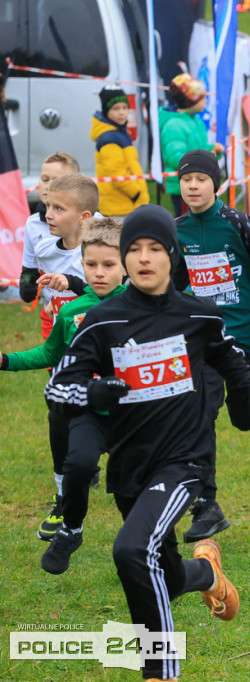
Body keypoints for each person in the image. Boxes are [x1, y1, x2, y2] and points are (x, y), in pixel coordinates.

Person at [45, 203, 250, 682]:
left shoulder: (199, 314)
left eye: (155, 248)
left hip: (184, 461)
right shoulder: (102, 321)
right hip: (130, 465)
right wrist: (92, 392)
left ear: (172, 255)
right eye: (134, 249)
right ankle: (205, 574)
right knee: (162, 573)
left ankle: (160, 670)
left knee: (131, 550)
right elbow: (58, 388)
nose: (144, 258)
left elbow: (234, 362)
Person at [171, 149, 250, 543]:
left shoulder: (236, 223)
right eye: (186, 179)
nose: (193, 186)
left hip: (246, 335)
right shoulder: (175, 230)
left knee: (244, 420)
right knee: (199, 414)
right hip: (205, 339)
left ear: (217, 184)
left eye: (201, 179)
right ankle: (206, 506)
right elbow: (174, 285)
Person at [1, 218, 126, 573]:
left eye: (108, 264)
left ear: (126, 265)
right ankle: (72, 528)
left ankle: (154, 542)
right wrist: (6, 360)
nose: (98, 273)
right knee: (79, 465)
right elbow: (50, 352)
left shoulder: (141, 305)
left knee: (132, 487)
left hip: (133, 411)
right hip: (88, 410)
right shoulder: (71, 311)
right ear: (81, 264)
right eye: (91, 264)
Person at [26, 173, 98, 540]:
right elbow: (50, 300)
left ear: (85, 217)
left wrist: (75, 284)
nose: (48, 214)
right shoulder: (45, 247)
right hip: (66, 356)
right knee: (58, 417)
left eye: (58, 208)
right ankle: (62, 496)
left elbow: (116, 295)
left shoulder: (103, 250)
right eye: (47, 206)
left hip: (107, 357)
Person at [19, 152, 79, 326]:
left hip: (88, 306)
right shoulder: (32, 224)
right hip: (52, 310)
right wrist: (27, 283)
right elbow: (30, 265)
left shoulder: (92, 220)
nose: (48, 186)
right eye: (44, 179)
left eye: (57, 181)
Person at [158, 73, 224, 216]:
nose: (206, 100)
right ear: (190, 101)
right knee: (187, 223)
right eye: (201, 97)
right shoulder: (174, 126)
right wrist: (206, 158)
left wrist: (214, 151)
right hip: (184, 188)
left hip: (199, 184)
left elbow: (199, 149)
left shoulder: (196, 122)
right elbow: (175, 158)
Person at [91, 85, 148, 218]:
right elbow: (116, 172)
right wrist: (135, 193)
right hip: (118, 207)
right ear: (106, 111)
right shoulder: (109, 138)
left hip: (125, 204)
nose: (122, 112)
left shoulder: (120, 132)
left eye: (125, 107)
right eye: (116, 108)